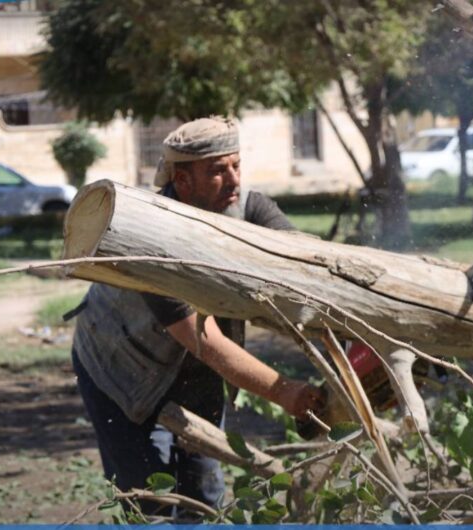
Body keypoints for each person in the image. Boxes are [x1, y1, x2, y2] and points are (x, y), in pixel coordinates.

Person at [69, 117, 325, 512]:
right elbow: (205, 340)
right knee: (150, 501)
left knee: (204, 496)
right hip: (120, 370)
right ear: (183, 182)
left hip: (194, 370)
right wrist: (285, 391)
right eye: (218, 171)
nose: (234, 180)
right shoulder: (154, 240)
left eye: (236, 166)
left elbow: (308, 266)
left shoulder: (248, 208)